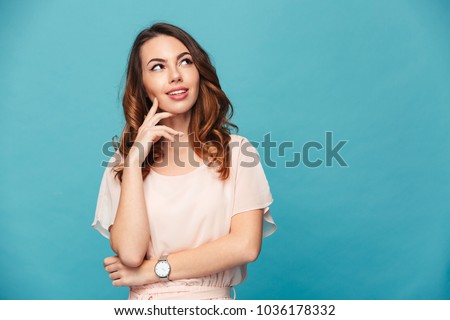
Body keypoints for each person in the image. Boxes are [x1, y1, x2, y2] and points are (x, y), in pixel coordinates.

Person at [91, 22, 277, 300]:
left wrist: (153, 270)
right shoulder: (123, 163)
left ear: (199, 72)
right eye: (158, 67)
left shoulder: (237, 152)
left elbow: (245, 246)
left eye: (185, 62)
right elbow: (130, 254)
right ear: (141, 84)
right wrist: (133, 164)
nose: (175, 76)